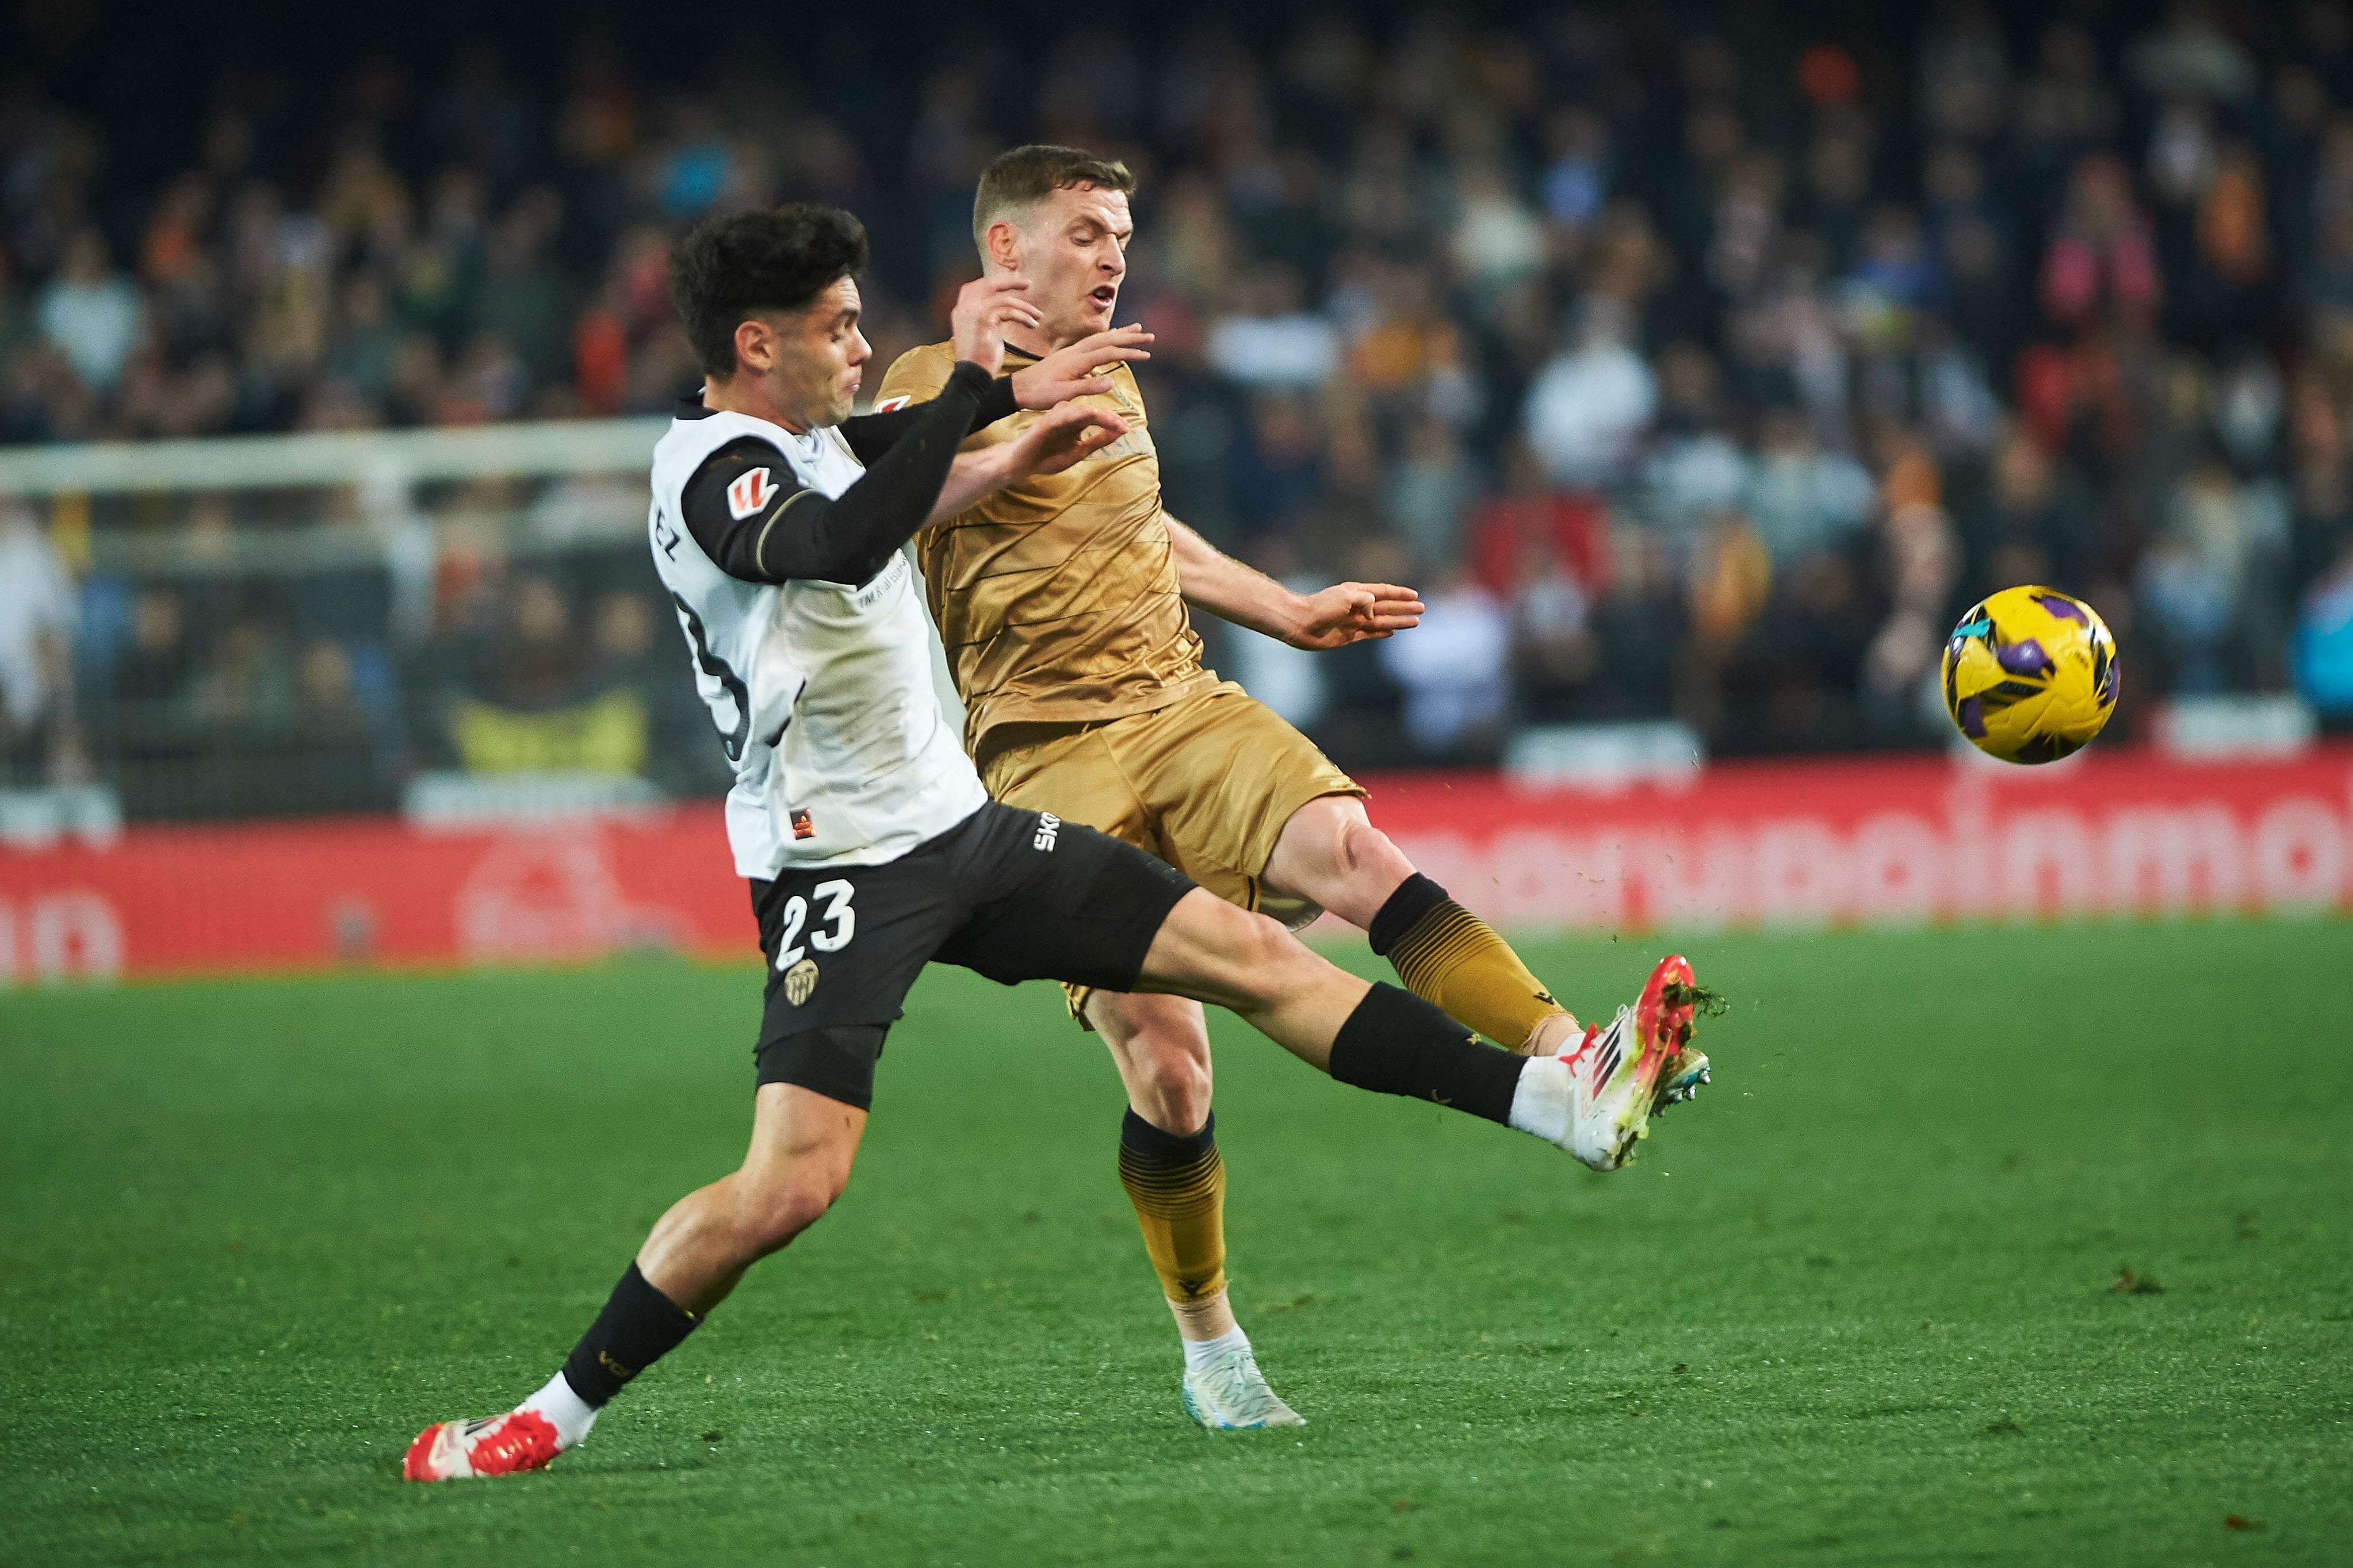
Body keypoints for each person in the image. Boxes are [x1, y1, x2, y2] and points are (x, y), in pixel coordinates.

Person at [404, 204, 1711, 1480]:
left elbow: (902, 464)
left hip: (966, 830)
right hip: (839, 868)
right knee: (792, 1183)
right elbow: (842, 537)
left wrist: (1003, 437)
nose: (862, 346)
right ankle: (549, 1414)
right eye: (840, 326)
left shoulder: (808, 435)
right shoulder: (712, 473)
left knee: (1253, 956)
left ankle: (1565, 1103)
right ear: (758, 344)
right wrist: (977, 378)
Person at [874, 147, 1712, 1423]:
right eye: (1090, 231)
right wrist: (1002, 395)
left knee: (1355, 853)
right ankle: (1214, 1352)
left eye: (1123, 233)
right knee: (1170, 1069)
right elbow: (895, 499)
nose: (1115, 256)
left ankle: (1576, 1056)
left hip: (1180, 700)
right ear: (1006, 249)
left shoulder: (1114, 370)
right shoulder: (925, 382)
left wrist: (1281, 607)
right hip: (1044, 753)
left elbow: (1137, 529)